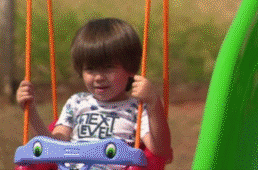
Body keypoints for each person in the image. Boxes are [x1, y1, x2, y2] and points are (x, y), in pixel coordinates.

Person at [16, 18, 173, 170]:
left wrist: (153, 103)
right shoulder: (76, 103)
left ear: (130, 68)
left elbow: (160, 151)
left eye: (108, 68)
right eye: (90, 69)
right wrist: (31, 111)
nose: (98, 77)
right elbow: (53, 145)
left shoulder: (137, 109)